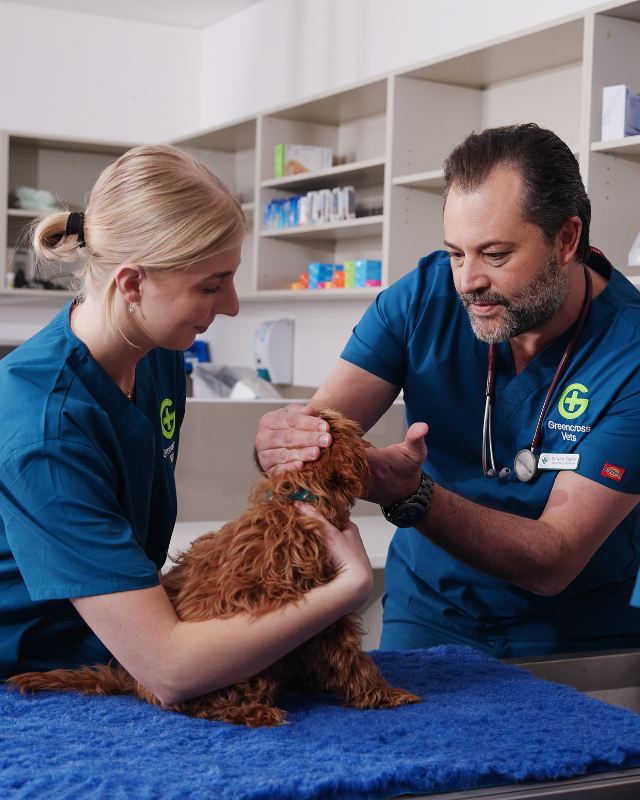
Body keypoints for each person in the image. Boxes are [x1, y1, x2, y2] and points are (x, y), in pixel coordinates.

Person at [0, 145, 373, 703]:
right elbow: (169, 669)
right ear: (131, 285)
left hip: (121, 657)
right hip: (40, 685)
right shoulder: (45, 426)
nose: (232, 305)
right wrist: (345, 590)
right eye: (210, 284)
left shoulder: (157, 352)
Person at [255, 123, 640, 659]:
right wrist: (280, 443)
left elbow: (555, 558)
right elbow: (317, 436)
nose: (467, 281)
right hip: (430, 614)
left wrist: (410, 497)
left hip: (578, 632)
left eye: (495, 254)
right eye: (456, 253)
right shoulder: (421, 300)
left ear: (566, 240)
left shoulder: (631, 354)